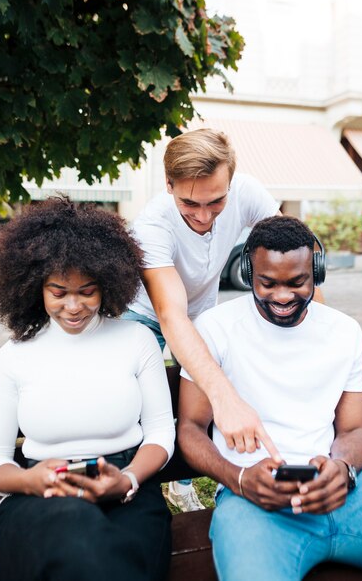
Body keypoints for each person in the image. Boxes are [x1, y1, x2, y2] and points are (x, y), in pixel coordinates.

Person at [0, 197, 175, 581]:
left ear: (108, 284)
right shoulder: (14, 356)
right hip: (38, 496)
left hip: (126, 493)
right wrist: (29, 480)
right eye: (58, 291)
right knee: (78, 539)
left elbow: (161, 433)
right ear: (36, 287)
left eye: (87, 291)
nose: (73, 306)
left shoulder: (136, 340)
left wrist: (129, 479)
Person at [178, 215, 362, 581]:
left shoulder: (344, 331)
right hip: (253, 504)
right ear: (248, 272)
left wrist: (343, 470)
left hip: (345, 494)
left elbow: (353, 430)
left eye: (297, 282)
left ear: (316, 272)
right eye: (268, 283)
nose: (283, 296)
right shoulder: (214, 329)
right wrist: (238, 479)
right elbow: (191, 428)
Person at [124, 127, 282, 511]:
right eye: (189, 203)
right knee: (134, 401)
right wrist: (224, 395)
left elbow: (292, 249)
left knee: (199, 404)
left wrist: (320, 329)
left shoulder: (247, 191)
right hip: (144, 313)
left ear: (231, 180)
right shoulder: (153, 225)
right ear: (169, 184)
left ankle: (181, 483)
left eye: (216, 201)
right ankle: (131, 481)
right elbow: (169, 313)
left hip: (204, 310)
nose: (204, 215)